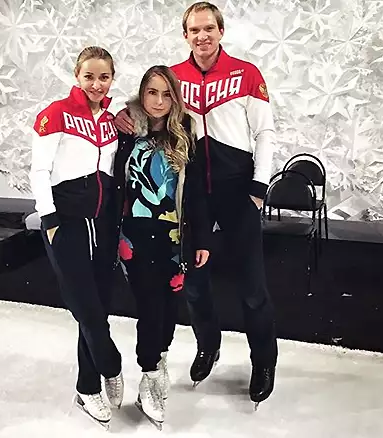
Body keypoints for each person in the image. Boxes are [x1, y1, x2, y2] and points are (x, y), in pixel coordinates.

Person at [114, 2, 278, 409]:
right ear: (185, 35)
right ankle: (208, 345)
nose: (202, 36)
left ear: (220, 31)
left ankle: (264, 361)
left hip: (237, 190)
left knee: (251, 285)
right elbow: (146, 105)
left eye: (209, 28)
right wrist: (122, 114)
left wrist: (258, 188)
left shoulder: (246, 74)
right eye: (194, 30)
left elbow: (265, 133)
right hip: (189, 197)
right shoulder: (175, 78)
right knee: (193, 281)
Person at [29, 46, 124, 429]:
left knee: (99, 302)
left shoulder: (112, 120)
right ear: (76, 75)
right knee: (84, 304)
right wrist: (49, 218)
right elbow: (39, 169)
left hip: (102, 223)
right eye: (89, 76)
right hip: (65, 221)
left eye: (104, 77)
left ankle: (87, 387)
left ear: (111, 79)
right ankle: (110, 363)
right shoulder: (56, 113)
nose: (96, 84)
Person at [113, 65, 211, 428]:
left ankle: (160, 356)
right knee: (150, 306)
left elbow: (197, 192)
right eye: (151, 93)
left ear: (175, 98)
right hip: (135, 237)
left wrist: (202, 239)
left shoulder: (185, 133)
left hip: (173, 238)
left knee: (169, 306)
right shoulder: (126, 131)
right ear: (142, 95)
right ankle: (149, 375)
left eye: (166, 94)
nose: (158, 101)